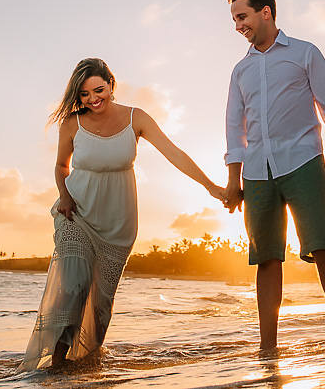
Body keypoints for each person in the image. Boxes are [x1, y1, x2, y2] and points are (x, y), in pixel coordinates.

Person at [20, 58, 227, 371]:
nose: (93, 99)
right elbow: (62, 165)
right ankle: (55, 366)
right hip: (76, 213)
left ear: (111, 85)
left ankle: (84, 364)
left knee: (100, 302)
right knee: (71, 289)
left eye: (98, 90)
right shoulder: (72, 123)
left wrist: (210, 186)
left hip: (118, 224)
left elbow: (173, 153)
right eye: (85, 94)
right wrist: (63, 195)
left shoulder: (136, 118)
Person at [223, 0, 325, 349]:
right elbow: (235, 129)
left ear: (266, 12)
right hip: (256, 173)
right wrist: (234, 179)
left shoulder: (305, 53)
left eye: (242, 16)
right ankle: (268, 348)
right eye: (234, 19)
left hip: (303, 161)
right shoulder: (240, 71)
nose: (238, 26)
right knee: (266, 259)